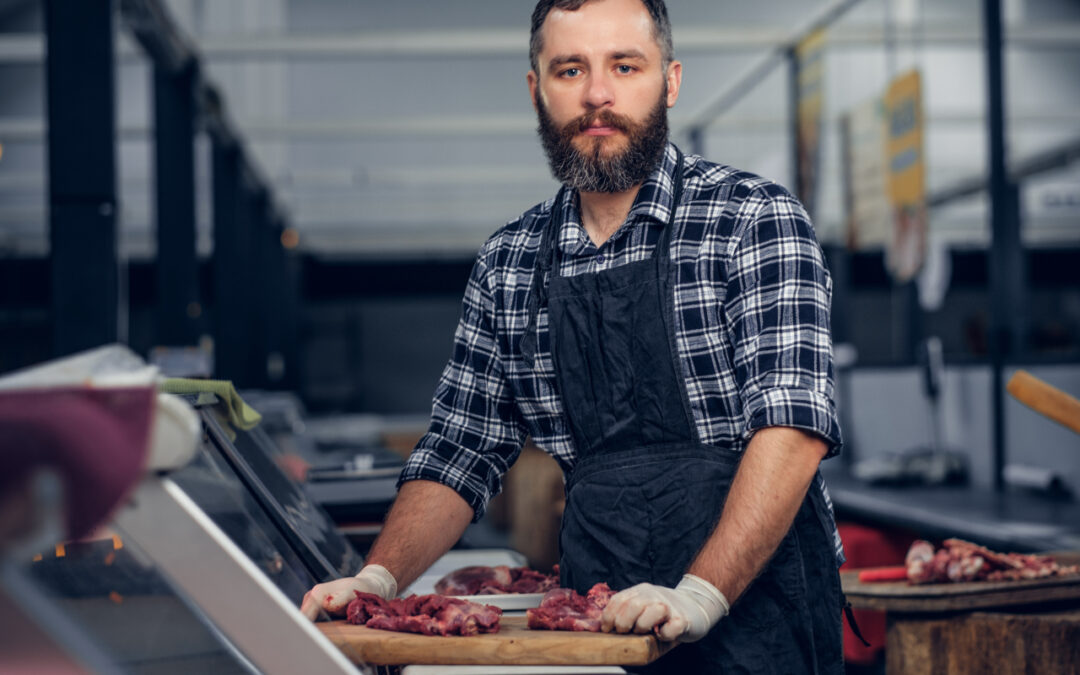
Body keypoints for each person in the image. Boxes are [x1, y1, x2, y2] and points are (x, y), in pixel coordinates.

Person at [302, 0, 845, 672]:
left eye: (625, 65)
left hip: (763, 621)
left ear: (670, 80)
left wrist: (699, 594)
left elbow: (791, 428)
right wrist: (378, 579)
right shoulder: (511, 262)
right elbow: (460, 448)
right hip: (598, 629)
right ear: (536, 90)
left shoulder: (752, 220)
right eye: (569, 69)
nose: (597, 94)